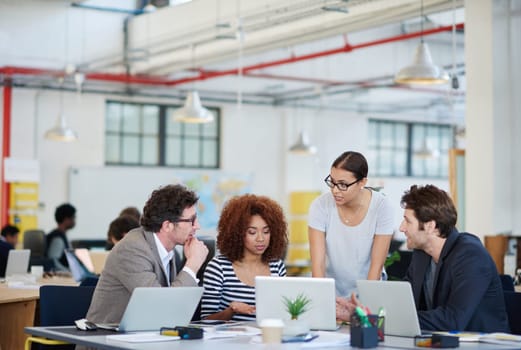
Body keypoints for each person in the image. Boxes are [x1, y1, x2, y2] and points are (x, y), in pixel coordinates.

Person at [337, 185, 510, 333]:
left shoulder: (471, 256)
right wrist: (362, 312)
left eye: (407, 221)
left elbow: (452, 320)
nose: (401, 228)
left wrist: (379, 317)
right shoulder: (422, 254)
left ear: (430, 226)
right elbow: (404, 302)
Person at [87, 184, 209, 324]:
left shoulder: (170, 251)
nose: (197, 226)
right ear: (167, 225)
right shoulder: (132, 250)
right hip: (106, 340)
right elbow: (160, 307)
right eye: (191, 220)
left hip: (144, 335)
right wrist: (193, 264)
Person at [308, 151, 394, 297]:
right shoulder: (320, 205)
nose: (335, 190)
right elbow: (318, 265)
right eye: (332, 182)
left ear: (362, 182)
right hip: (330, 289)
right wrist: (323, 300)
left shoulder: (381, 206)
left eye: (343, 185)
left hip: (369, 287)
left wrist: (365, 303)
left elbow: (376, 265)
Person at [201, 194, 288, 321]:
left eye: (266, 232)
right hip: (230, 340)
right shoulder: (219, 267)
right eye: (252, 232)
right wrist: (231, 311)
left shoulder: (277, 266)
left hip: (266, 337)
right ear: (238, 234)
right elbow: (206, 320)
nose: (261, 238)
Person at [45, 203, 76, 272]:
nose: (74, 220)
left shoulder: (61, 235)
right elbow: (53, 261)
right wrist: (69, 272)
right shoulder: (58, 238)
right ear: (66, 219)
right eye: (73, 217)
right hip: (60, 277)